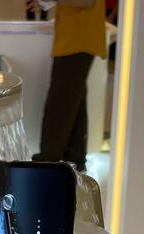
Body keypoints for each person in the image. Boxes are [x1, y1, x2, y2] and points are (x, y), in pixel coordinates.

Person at [31, 0, 107, 172]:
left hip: (77, 39)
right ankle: (74, 160)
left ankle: (49, 162)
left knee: (60, 103)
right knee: (73, 104)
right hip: (76, 39)